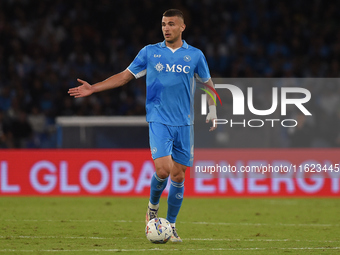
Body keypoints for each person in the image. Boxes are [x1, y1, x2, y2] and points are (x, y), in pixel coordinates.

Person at [68, 9, 217, 242]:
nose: (166, 28)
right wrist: (94, 88)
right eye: (163, 24)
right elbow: (124, 76)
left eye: (170, 24)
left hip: (185, 123)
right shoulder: (150, 52)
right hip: (158, 119)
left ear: (182, 27)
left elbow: (208, 84)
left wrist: (213, 109)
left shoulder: (195, 56)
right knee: (163, 170)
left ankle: (172, 225)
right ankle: (152, 208)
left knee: (178, 177)